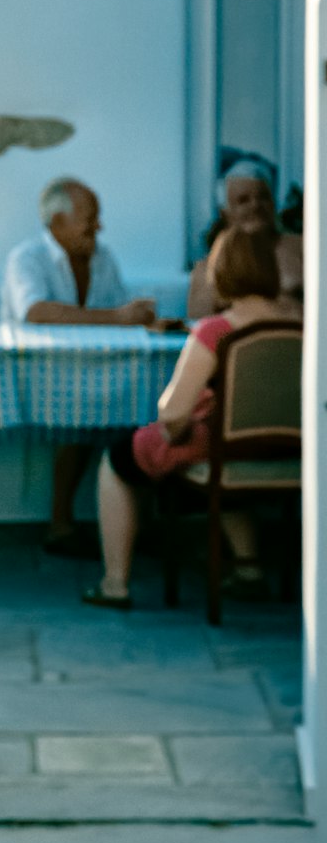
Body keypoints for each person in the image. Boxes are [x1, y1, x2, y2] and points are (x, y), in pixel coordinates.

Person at [84, 226, 288, 610]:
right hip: (284, 446)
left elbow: (174, 413)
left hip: (219, 443)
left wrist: (173, 433)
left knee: (118, 459)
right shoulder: (303, 323)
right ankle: (249, 571)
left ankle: (115, 583)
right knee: (229, 443)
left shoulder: (216, 331)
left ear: (220, 273)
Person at [1, 177, 156, 557]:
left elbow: (119, 312)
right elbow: (36, 313)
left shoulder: (102, 258)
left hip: (86, 374)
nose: (98, 227)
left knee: (142, 407)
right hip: (33, 377)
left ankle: (120, 529)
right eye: (91, 218)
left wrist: (141, 318)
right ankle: (65, 523)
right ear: (58, 221)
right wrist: (120, 318)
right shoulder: (27, 258)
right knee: (87, 413)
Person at [187, 159, 303, 319]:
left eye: (263, 197)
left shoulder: (302, 250)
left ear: (274, 203)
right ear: (225, 212)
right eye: (243, 200)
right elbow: (198, 323)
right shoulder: (208, 267)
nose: (255, 205)